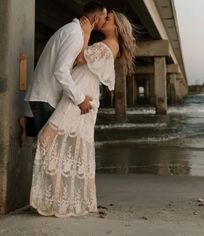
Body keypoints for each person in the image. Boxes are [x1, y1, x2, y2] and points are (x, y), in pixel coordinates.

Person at [29, 10, 136, 217]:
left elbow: (79, 58)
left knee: (47, 139)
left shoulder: (106, 46)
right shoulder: (109, 46)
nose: (104, 20)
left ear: (116, 27)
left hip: (79, 97)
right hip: (81, 94)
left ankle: (60, 198)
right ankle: (84, 201)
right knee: (78, 145)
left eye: (109, 19)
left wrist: (86, 31)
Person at [22, 1, 107, 143]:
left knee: (53, 142)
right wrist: (79, 99)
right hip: (46, 97)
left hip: (45, 95)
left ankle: (27, 125)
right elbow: (61, 71)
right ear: (96, 19)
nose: (105, 21)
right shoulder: (75, 34)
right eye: (104, 18)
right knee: (51, 147)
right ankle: (27, 125)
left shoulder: (75, 31)